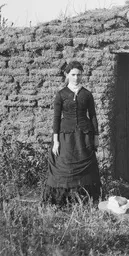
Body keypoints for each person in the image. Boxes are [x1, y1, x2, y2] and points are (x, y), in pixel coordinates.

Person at [42, 61, 101, 206]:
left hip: (84, 136)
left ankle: (85, 199)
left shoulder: (87, 94)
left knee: (86, 167)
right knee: (65, 164)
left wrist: (96, 136)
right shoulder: (61, 95)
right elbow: (56, 118)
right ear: (67, 75)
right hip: (66, 136)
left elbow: (93, 115)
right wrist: (55, 141)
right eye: (73, 75)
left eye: (79, 75)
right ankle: (64, 200)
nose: (76, 78)